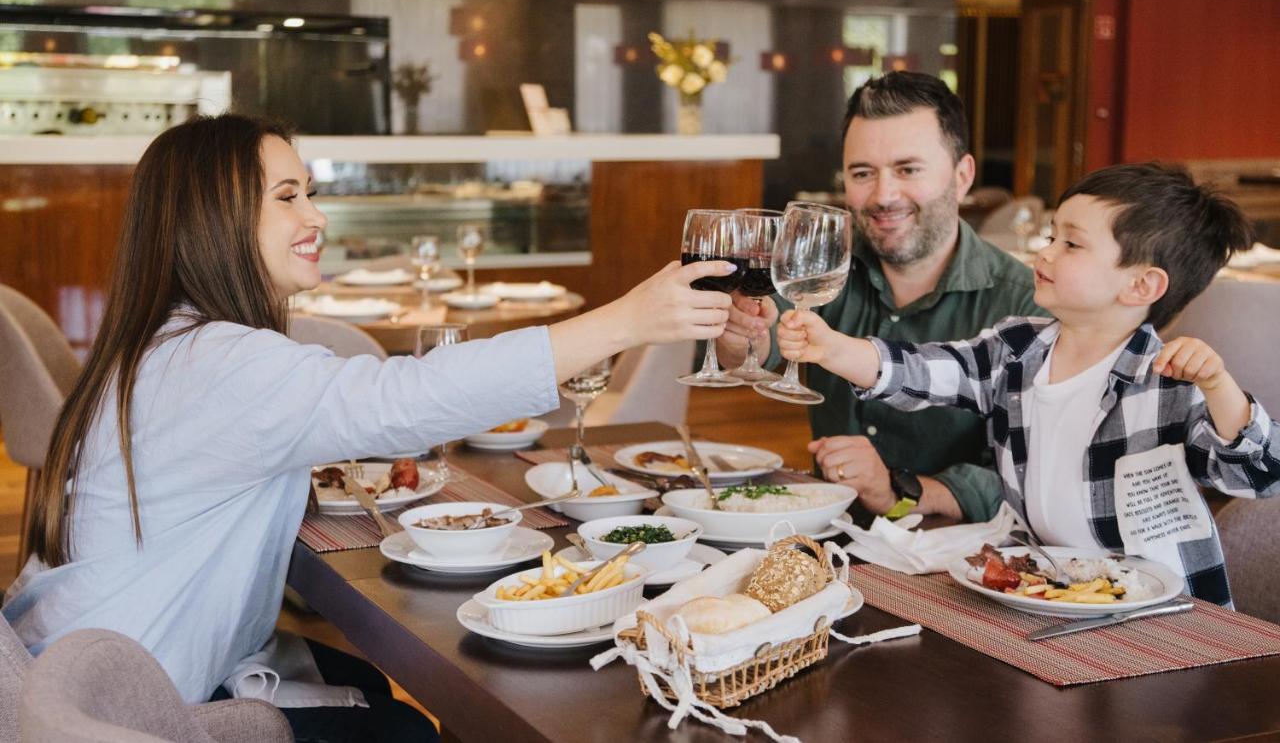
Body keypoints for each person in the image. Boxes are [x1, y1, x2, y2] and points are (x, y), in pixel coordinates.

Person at [2, 114, 737, 741]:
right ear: (215, 220)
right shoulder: (221, 363)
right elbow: (406, 398)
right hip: (144, 702)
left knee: (367, 683)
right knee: (407, 725)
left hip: (81, 668)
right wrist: (627, 319)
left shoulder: (163, 345)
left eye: (310, 194)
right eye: (288, 197)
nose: (317, 216)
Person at [776, 163, 1278, 605]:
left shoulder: (1166, 379)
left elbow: (1259, 474)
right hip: (1048, 587)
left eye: (1071, 244)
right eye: (1052, 235)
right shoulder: (1018, 348)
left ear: (1141, 285)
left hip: (1157, 611)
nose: (1046, 251)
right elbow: (930, 370)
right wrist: (834, 349)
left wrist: (1217, 386)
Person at [717, 71, 1045, 522]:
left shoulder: (1026, 302)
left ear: (962, 175)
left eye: (908, 169)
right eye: (863, 173)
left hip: (960, 553)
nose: (883, 195)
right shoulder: (824, 266)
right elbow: (757, 346)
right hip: (831, 534)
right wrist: (740, 333)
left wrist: (896, 490)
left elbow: (1030, 475)